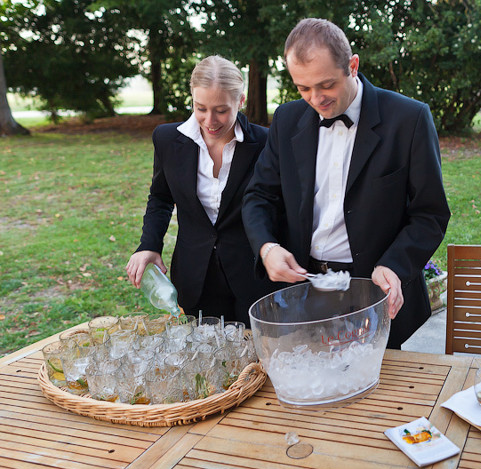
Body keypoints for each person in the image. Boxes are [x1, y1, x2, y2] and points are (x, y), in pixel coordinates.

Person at [242, 18, 450, 348]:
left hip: (379, 295)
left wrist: (394, 266)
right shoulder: (286, 119)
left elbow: (430, 214)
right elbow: (258, 196)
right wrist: (267, 248)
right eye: (303, 88)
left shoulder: (409, 120)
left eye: (326, 85)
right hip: (305, 295)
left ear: (352, 66)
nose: (315, 99)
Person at [127, 55, 276, 326]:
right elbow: (160, 197)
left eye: (221, 110)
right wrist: (149, 244)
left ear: (240, 101)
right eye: (201, 108)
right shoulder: (167, 139)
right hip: (195, 274)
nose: (210, 121)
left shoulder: (267, 143)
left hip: (254, 278)